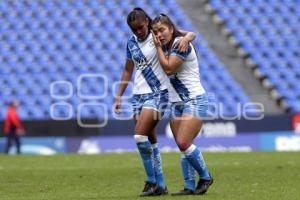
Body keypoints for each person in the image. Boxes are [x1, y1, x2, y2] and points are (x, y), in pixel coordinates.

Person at [113, 8, 196, 196]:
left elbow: (190, 33)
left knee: (139, 137)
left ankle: (151, 182)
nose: (138, 32)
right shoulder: (131, 43)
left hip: (158, 93)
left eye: (141, 28)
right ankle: (160, 185)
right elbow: (128, 70)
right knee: (150, 142)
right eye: (134, 30)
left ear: (148, 23)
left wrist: (186, 38)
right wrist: (119, 95)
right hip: (138, 95)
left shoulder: (157, 36)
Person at [151, 14, 213, 195]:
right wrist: (189, 35)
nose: (159, 35)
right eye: (155, 32)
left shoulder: (180, 44)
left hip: (194, 99)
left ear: (170, 28)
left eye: (161, 30)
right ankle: (190, 186)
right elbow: (188, 33)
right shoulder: (170, 41)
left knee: (183, 141)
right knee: (183, 145)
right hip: (176, 103)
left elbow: (169, 67)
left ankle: (206, 176)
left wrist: (185, 38)